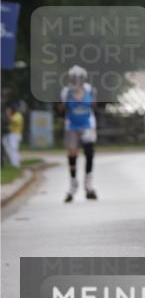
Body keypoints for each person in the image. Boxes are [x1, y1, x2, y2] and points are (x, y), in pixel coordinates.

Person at [58, 65, 98, 201]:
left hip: (87, 124)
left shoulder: (90, 90)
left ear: (83, 78)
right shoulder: (66, 92)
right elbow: (61, 110)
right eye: (74, 78)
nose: (77, 80)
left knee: (89, 153)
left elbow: (94, 106)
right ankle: (73, 184)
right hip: (72, 125)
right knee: (72, 154)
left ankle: (88, 184)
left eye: (79, 78)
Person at [3, 105, 23, 170]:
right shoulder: (13, 115)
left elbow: (12, 121)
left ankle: (16, 164)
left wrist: (8, 115)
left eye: (9, 110)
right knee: (7, 147)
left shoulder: (18, 115)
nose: (9, 111)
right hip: (11, 134)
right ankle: (13, 162)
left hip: (15, 135)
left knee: (14, 149)